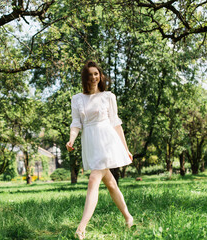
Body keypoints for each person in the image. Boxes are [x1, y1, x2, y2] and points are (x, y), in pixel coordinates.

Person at [66, 60, 134, 239]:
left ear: (100, 76)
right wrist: (71, 140)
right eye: (90, 74)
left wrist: (125, 149)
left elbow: (116, 124)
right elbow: (75, 123)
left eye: (96, 74)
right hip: (90, 142)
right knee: (111, 184)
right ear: (85, 77)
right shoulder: (77, 99)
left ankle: (81, 228)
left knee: (93, 179)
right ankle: (128, 218)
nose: (94, 77)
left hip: (107, 141)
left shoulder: (108, 96)